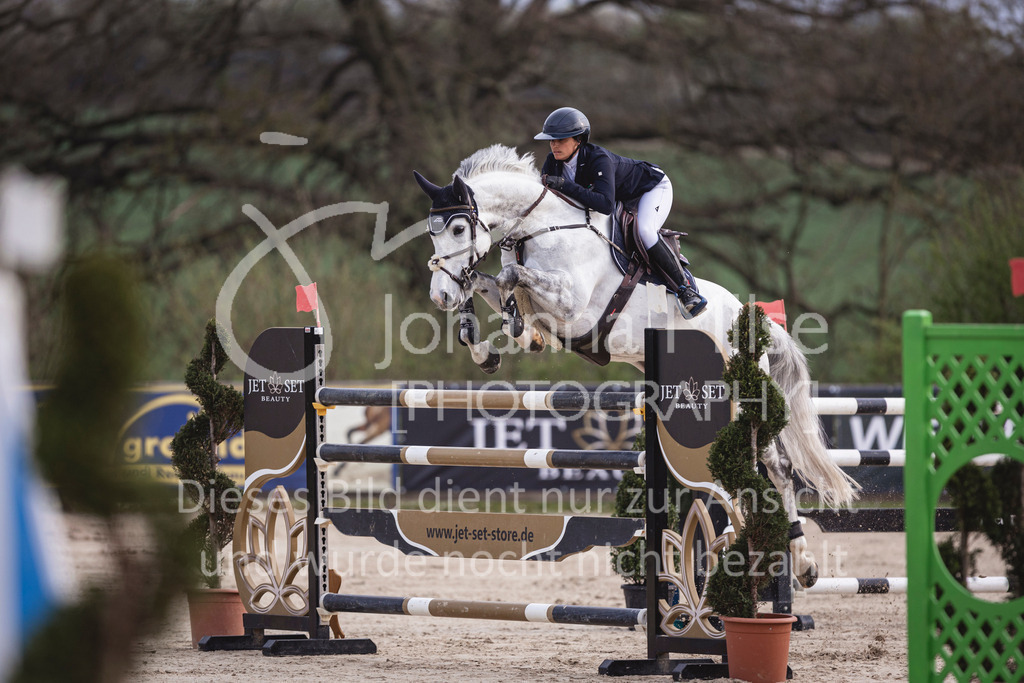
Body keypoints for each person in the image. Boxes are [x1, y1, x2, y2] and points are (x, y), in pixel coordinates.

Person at [534, 106, 707, 316]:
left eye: (560, 140)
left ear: (578, 139)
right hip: (622, 196)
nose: (554, 145)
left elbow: (605, 204)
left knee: (645, 231)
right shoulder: (552, 163)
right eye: (551, 140)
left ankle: (685, 289)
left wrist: (565, 185)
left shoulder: (598, 159)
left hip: (651, 189)